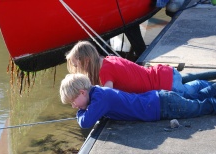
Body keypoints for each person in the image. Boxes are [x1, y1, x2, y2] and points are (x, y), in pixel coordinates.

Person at [66, 40, 214, 100]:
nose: (77, 69)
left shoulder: (104, 72)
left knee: (196, 93)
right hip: (164, 73)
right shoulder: (108, 59)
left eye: (76, 65)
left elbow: (107, 95)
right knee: (191, 81)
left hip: (166, 85)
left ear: (86, 61)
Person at [59, 73, 216, 129]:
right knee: (196, 99)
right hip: (159, 99)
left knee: (200, 107)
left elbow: (85, 123)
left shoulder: (100, 99)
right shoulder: (98, 93)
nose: (74, 106)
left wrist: (80, 111)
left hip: (162, 106)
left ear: (82, 92)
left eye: (73, 101)